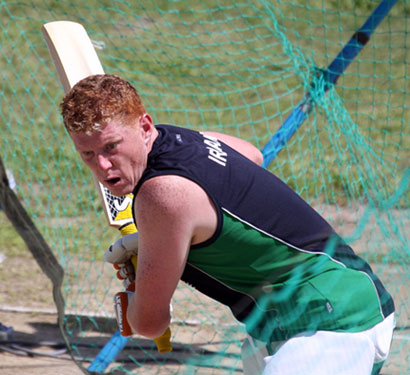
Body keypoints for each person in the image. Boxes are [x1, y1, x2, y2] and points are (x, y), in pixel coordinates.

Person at [61, 74, 395, 375]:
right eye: (87, 154)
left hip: (329, 321)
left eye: (111, 147)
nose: (103, 166)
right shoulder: (183, 139)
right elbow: (250, 154)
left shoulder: (160, 194)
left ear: (145, 127)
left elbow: (149, 323)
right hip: (326, 308)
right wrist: (173, 236)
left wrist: (137, 292)